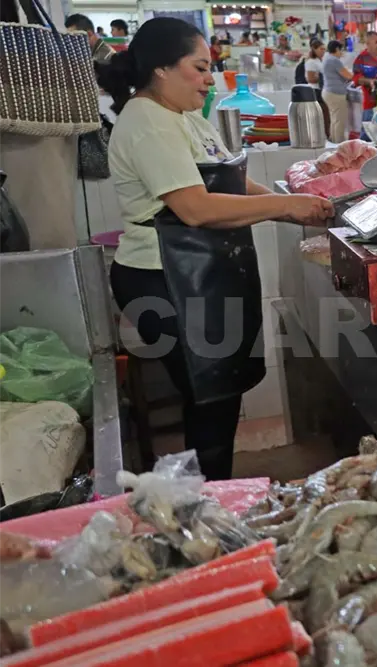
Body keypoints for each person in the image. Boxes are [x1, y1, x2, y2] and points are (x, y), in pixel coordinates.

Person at [97, 17, 333, 480]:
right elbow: (194, 208)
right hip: (163, 278)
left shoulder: (182, 116)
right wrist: (286, 204)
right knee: (210, 399)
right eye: (199, 67)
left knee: (219, 397)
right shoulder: (147, 121)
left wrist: (299, 209)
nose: (209, 79)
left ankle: (209, 498)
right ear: (162, 70)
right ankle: (206, 512)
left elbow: (234, 181)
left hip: (200, 273)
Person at [321, 40, 353, 142]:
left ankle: (334, 141)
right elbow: (348, 75)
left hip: (328, 92)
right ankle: (339, 144)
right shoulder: (334, 60)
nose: (341, 53)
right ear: (337, 49)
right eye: (341, 50)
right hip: (336, 94)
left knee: (335, 120)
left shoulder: (327, 58)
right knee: (340, 120)